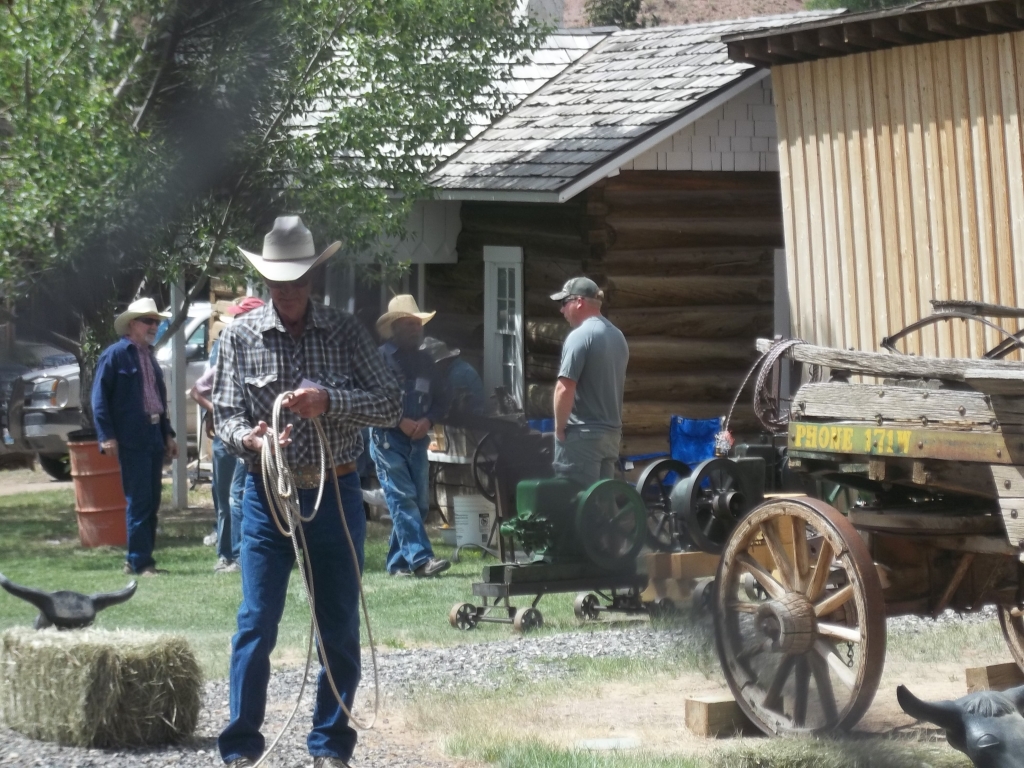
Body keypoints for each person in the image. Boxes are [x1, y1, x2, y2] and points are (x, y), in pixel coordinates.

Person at [213, 216, 402, 768]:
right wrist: (249, 436)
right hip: (265, 493)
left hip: (337, 492)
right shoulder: (241, 337)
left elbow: (390, 404)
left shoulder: (346, 332)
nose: (289, 290)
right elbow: (223, 418)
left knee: (339, 625)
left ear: (313, 279)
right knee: (256, 620)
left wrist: (331, 401)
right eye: (279, 281)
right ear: (266, 283)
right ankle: (242, 747)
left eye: (298, 280)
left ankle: (329, 745)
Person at [92, 297, 179, 576]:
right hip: (132, 437)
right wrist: (107, 435)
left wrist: (168, 435)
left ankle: (142, 560)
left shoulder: (149, 357)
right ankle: (138, 561)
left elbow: (158, 401)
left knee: (151, 501)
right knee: (140, 500)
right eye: (148, 321)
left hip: (153, 434)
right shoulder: (115, 355)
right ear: (132, 325)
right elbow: (99, 399)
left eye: (156, 321)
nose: (154, 326)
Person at [370, 296, 451, 578]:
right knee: (402, 498)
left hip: (418, 440)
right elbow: (369, 401)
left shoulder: (427, 360)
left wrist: (428, 420)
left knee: (417, 502)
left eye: (418, 323)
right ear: (394, 326)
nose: (415, 328)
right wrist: (399, 421)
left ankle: (397, 564)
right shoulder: (378, 358)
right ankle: (421, 559)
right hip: (387, 439)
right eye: (408, 323)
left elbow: (443, 400)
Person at [189, 297, 264, 573]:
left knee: (240, 495)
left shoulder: (266, 350)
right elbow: (198, 389)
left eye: (242, 316)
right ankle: (227, 554)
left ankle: (242, 555)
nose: (236, 321)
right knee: (225, 497)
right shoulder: (227, 347)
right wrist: (218, 412)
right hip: (225, 436)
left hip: (252, 438)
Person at [549, 277, 629, 488]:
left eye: (564, 303)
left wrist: (559, 429)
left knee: (574, 505)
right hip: (611, 436)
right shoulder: (618, 336)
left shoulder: (580, 336)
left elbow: (564, 388)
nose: (562, 310)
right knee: (601, 505)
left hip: (583, 436)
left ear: (579, 302)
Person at [421, 337, 485, 416]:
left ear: (443, 361)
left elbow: (450, 409)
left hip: (469, 422)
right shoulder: (458, 368)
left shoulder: (457, 376)